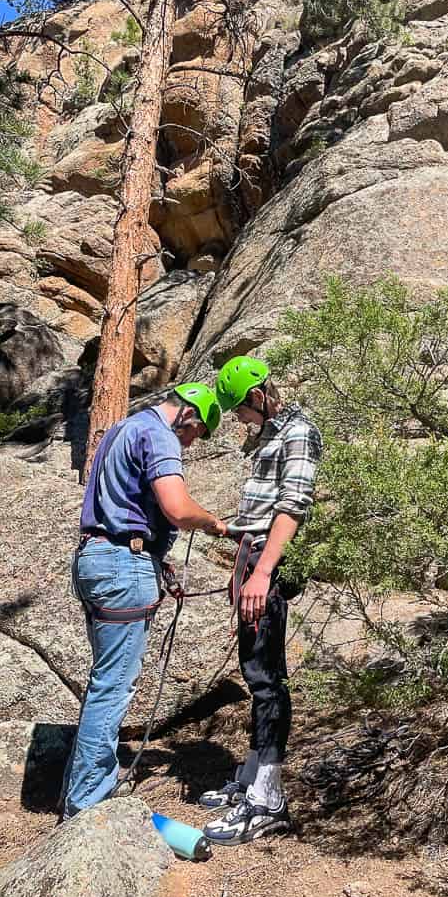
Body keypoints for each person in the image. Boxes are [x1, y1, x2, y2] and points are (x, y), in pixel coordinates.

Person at [62, 384, 229, 818]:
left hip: (96, 559)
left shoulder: (122, 428)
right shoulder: (158, 434)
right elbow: (176, 507)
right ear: (188, 414)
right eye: (194, 434)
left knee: (104, 681)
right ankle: (87, 807)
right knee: (113, 686)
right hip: (121, 563)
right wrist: (211, 522)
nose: (189, 444)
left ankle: (82, 788)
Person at [199, 355, 323, 846]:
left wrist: (263, 574)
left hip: (266, 567)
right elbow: (267, 504)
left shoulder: (298, 433)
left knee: (267, 677)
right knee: (257, 670)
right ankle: (252, 775)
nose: (237, 420)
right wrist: (232, 528)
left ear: (257, 396)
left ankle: (269, 796)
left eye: (239, 410)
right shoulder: (270, 435)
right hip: (252, 558)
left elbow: (293, 506)